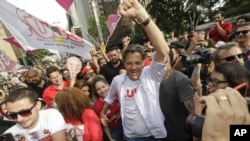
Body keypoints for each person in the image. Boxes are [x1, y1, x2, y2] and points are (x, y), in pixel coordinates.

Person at [100, 0, 169, 140]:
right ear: (123, 64)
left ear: (144, 62)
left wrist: (141, 15)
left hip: (154, 136)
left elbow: (163, 51)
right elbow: (110, 97)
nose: (133, 68)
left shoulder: (151, 74)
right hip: (130, 137)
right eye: (129, 63)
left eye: (137, 63)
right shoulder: (117, 81)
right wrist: (102, 112)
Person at [159, 48, 194, 141]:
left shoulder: (181, 80)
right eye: (155, 61)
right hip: (160, 136)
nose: (159, 65)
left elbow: (192, 111)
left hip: (180, 136)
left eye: (162, 61)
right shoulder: (151, 80)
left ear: (170, 61)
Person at [92, 75, 124, 141]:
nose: (102, 90)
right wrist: (110, 138)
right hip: (113, 131)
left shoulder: (117, 94)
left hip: (125, 125)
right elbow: (104, 125)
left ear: (108, 85)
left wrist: (119, 113)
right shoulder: (97, 105)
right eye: (98, 89)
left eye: (103, 86)